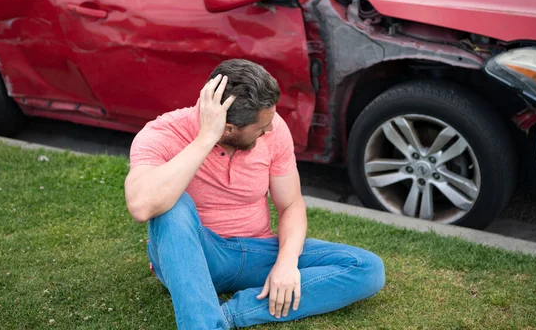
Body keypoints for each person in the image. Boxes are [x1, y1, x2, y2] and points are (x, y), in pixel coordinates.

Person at [124, 59, 385, 329]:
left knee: (366, 268)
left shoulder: (274, 128)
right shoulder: (163, 133)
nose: (270, 129)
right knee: (172, 207)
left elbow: (292, 204)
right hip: (197, 255)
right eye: (261, 128)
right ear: (228, 129)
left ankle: (228, 315)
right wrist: (206, 139)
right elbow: (142, 206)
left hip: (257, 252)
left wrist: (285, 263)